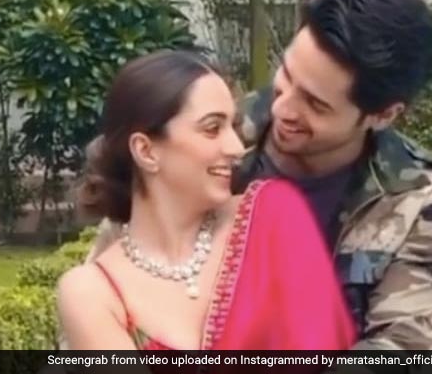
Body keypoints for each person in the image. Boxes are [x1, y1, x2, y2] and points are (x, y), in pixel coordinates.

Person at [88, 0, 432, 350]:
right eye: (286, 74)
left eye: (315, 104)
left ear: (382, 114)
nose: (283, 108)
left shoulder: (421, 199)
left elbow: (399, 346)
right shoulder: (211, 141)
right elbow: (118, 269)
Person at [57, 50, 356, 350]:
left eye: (233, 126)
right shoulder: (92, 293)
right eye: (212, 129)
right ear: (146, 151)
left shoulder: (273, 218)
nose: (236, 148)